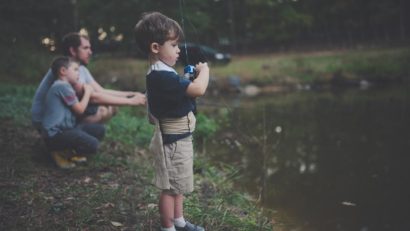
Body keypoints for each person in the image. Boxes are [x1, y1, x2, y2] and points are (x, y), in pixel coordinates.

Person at [134, 12, 209, 231]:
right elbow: (198, 90)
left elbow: (179, 90)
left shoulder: (163, 72)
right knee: (169, 188)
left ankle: (179, 221)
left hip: (180, 138)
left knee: (179, 184)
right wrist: (204, 71)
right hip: (173, 142)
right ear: (156, 47)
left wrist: (185, 79)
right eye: (174, 45)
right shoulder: (160, 76)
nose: (178, 49)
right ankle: (168, 228)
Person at [31, 32, 146, 130]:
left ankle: (75, 141)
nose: (90, 52)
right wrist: (132, 102)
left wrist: (132, 94)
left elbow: (101, 91)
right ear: (72, 50)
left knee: (111, 107)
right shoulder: (66, 71)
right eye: (85, 48)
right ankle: (66, 144)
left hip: (62, 116)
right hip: (44, 120)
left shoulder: (80, 69)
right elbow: (93, 97)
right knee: (102, 110)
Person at [42, 56, 105, 169]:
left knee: (99, 129)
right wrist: (88, 92)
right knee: (93, 144)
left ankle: (70, 151)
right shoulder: (62, 87)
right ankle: (60, 152)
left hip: (66, 130)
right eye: (75, 70)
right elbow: (80, 110)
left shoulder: (65, 86)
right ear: (63, 71)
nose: (78, 73)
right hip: (55, 135)